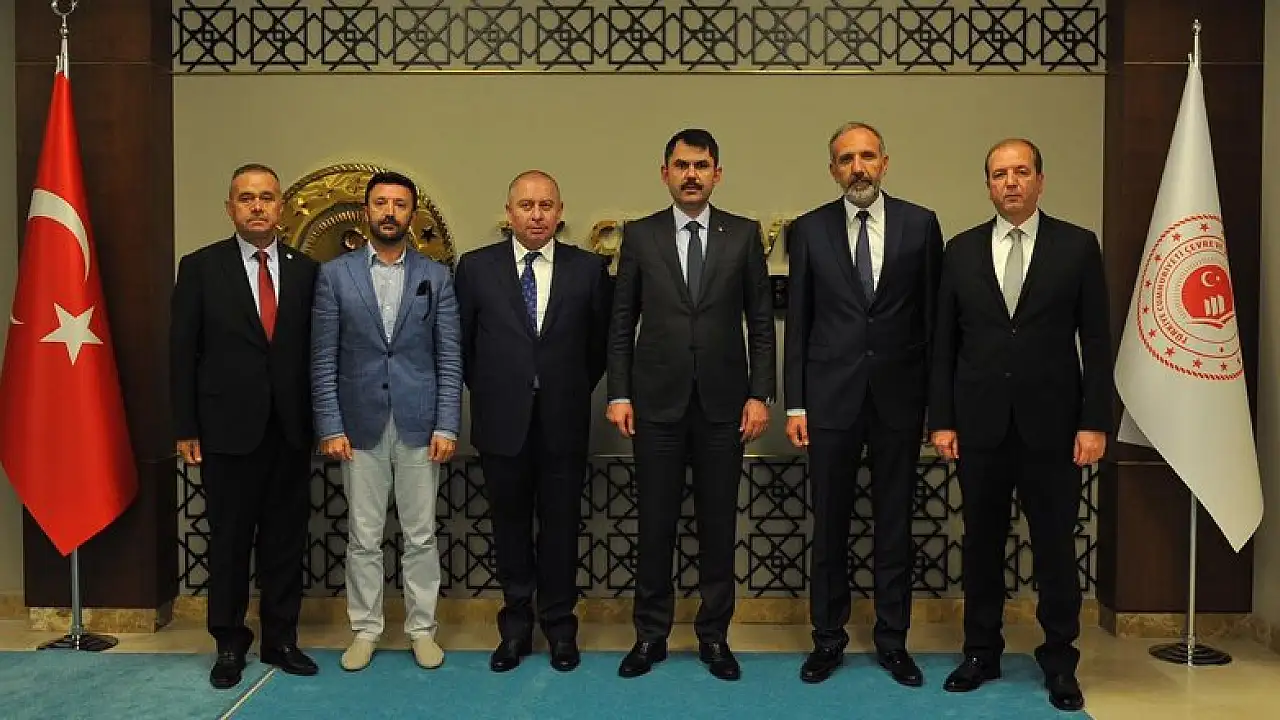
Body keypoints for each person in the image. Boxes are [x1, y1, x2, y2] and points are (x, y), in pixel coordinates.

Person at [928, 138, 1109, 712]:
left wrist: (1094, 421)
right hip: (979, 427)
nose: (1010, 182)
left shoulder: (1077, 247)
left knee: (1054, 547)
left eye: (1021, 172)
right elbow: (943, 344)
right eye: (999, 174)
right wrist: (942, 420)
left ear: (1040, 181)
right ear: (988, 185)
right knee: (981, 545)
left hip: (1054, 429)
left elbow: (1096, 341)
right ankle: (981, 652)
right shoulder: (959, 251)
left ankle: (1059, 661)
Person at [607, 128, 775, 681]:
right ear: (665, 173)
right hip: (655, 405)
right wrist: (620, 392)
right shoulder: (641, 235)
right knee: (654, 525)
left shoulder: (743, 235)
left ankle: (714, 637)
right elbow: (621, 321)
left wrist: (759, 394)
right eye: (681, 165)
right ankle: (649, 636)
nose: (691, 175)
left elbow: (761, 323)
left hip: (724, 406)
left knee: (717, 527)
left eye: (701, 166)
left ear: (717, 174)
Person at [783, 122, 943, 687]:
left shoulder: (920, 225)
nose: (858, 167)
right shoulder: (809, 229)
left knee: (894, 525)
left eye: (867, 156)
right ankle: (827, 639)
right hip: (830, 401)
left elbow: (934, 323)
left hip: (900, 400)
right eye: (847, 159)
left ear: (885, 162)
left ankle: (893, 641)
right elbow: (799, 321)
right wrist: (796, 404)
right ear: (833, 169)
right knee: (829, 526)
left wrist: (937, 408)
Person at [454, 170, 612, 673]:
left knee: (562, 530)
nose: (537, 215)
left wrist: (563, 388)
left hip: (564, 421)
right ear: (509, 213)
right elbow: (464, 347)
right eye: (526, 206)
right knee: (510, 530)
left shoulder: (589, 270)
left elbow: (599, 349)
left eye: (546, 206)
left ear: (560, 212)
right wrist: (502, 390)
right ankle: (515, 630)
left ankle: (561, 630)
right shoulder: (475, 268)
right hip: (501, 422)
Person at [170, 163, 320, 689]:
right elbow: (182, 352)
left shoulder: (306, 270)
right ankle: (229, 643)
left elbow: (317, 353)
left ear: (282, 207)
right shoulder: (200, 267)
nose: (257, 206)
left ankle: (281, 639)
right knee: (229, 542)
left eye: (267, 197)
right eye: (246, 197)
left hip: (290, 431)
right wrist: (185, 425)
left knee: (285, 541)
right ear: (229, 208)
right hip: (226, 431)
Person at [310, 170, 463, 672]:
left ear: (412, 214)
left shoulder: (436, 276)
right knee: (364, 536)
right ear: (366, 211)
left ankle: (422, 629)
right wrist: (331, 426)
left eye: (399, 204)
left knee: (421, 535)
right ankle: (366, 629)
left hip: (420, 423)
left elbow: (449, 357)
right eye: (381, 203)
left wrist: (447, 425)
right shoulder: (335, 276)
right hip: (358, 425)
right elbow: (323, 358)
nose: (390, 212)